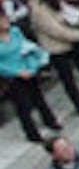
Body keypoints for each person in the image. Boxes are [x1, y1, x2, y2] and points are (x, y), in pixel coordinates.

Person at [0, 10, 61, 142]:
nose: (5, 21)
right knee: (23, 105)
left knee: (39, 98)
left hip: (28, 70)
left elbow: (27, 48)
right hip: (12, 76)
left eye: (5, 18)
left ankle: (51, 121)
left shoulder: (15, 31)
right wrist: (17, 72)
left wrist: (31, 68)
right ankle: (32, 133)